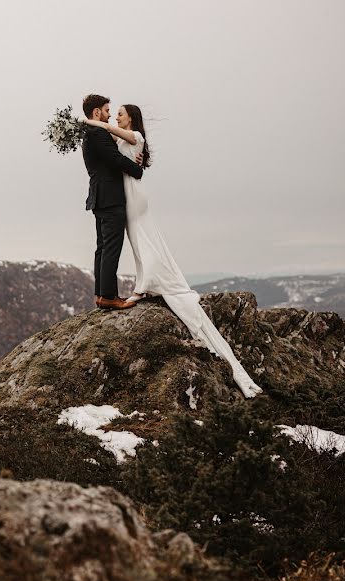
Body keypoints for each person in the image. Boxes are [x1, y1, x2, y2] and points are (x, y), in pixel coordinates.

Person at [84, 104, 263, 398]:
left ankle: (148, 282)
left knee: (141, 237)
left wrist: (93, 124)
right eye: (109, 112)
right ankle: (143, 280)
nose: (115, 116)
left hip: (132, 197)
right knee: (135, 240)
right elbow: (113, 155)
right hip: (121, 195)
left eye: (119, 113)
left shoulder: (133, 135)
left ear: (131, 118)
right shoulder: (113, 136)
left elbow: (127, 159)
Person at [81, 94, 143, 311]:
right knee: (111, 247)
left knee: (102, 247)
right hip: (110, 197)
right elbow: (115, 159)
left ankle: (101, 294)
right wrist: (137, 170)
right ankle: (108, 296)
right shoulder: (98, 133)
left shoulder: (91, 133)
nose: (110, 115)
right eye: (107, 111)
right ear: (96, 112)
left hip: (99, 196)